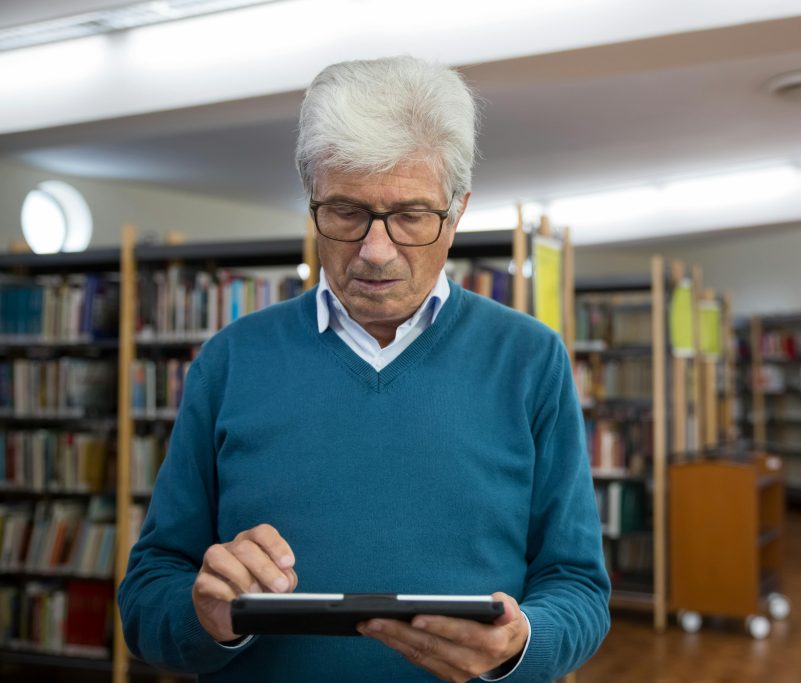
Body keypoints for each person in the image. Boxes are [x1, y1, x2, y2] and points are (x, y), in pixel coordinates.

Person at [117, 55, 610, 682]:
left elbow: (578, 589)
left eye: (410, 216)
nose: (376, 252)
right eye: (347, 212)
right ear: (312, 203)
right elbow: (146, 596)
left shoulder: (530, 359)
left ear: (456, 213)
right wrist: (204, 616)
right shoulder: (230, 360)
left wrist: (520, 646)